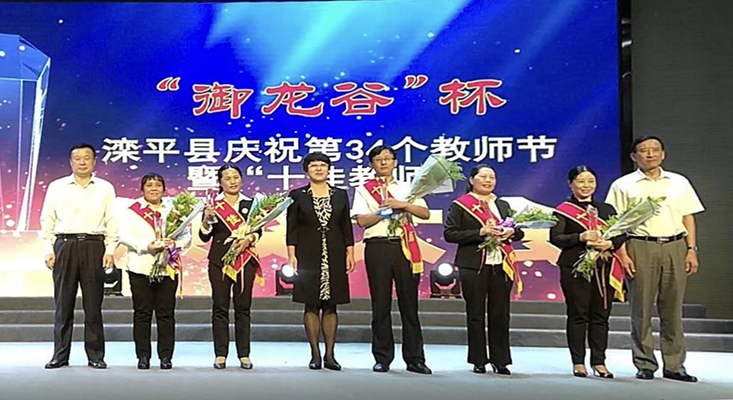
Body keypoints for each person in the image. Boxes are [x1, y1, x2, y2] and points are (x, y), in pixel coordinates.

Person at [606, 136, 704, 383]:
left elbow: (688, 217)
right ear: (633, 156)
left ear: (663, 154)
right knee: (641, 308)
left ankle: (675, 365)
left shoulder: (679, 182)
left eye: (655, 150)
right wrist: (622, 254)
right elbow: (615, 224)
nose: (650, 154)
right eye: (643, 150)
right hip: (640, 246)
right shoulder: (623, 185)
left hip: (675, 245)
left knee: (673, 308)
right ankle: (645, 363)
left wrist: (691, 249)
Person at [351, 145, 432, 374]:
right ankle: (382, 357)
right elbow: (362, 221)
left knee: (409, 305)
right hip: (377, 247)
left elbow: (424, 213)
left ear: (395, 162)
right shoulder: (364, 189)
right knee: (380, 304)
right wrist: (383, 211)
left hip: (404, 246)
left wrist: (402, 205)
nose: (384, 162)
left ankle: (415, 359)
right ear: (371, 164)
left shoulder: (408, 187)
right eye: (378, 159)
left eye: (388, 158)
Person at [40, 143, 119, 369]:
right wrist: (48, 249)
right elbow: (47, 219)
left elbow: (112, 220)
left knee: (93, 305)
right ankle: (60, 355)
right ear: (70, 162)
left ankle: (95, 355)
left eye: (87, 158)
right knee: (63, 304)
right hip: (64, 245)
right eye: (77, 158)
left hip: (94, 245)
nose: (82, 162)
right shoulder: (57, 186)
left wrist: (110, 250)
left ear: (94, 162)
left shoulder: (105, 188)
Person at [443, 164, 524, 375]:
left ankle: (500, 360)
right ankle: (478, 359)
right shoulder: (460, 205)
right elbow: (450, 234)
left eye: (492, 177)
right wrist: (480, 232)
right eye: (483, 176)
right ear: (472, 180)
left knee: (500, 313)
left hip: (502, 264)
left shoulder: (502, 205)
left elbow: (519, 232)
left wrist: (511, 233)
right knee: (476, 313)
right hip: (473, 265)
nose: (488, 181)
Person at [550, 165, 626, 379]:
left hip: (604, 267)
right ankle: (578, 362)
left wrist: (609, 243)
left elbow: (622, 234)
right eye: (581, 181)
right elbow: (555, 238)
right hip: (575, 268)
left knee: (601, 315)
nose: (586, 186)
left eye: (590, 181)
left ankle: (599, 362)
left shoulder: (607, 209)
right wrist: (580, 238)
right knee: (578, 314)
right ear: (571, 184)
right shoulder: (562, 210)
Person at [286, 152, 355, 370]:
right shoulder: (297, 195)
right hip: (307, 253)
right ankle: (315, 354)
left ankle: (330, 355)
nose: (318, 169)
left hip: (335, 252)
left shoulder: (340, 194)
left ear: (328, 169)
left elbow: (346, 226)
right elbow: (292, 227)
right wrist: (291, 255)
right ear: (306, 170)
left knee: (331, 305)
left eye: (322, 165)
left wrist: (350, 252)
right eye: (313, 165)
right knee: (311, 304)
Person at [118, 173, 191, 370]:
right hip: (140, 267)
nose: (154, 188)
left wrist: (174, 244)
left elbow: (186, 235)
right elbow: (123, 235)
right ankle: (143, 356)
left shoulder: (174, 209)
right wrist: (146, 246)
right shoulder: (132, 210)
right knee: (142, 313)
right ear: (142, 189)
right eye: (149, 185)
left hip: (167, 268)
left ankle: (165, 356)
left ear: (164, 189)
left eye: (158, 185)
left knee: (166, 314)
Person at [199, 165, 261, 370]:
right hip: (219, 261)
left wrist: (250, 238)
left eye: (236, 177)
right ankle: (220, 354)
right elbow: (204, 236)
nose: (232, 181)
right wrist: (206, 220)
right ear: (220, 182)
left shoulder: (251, 204)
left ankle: (244, 354)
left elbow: (259, 230)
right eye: (227, 178)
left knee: (243, 307)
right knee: (220, 306)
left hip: (245, 260)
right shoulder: (213, 205)